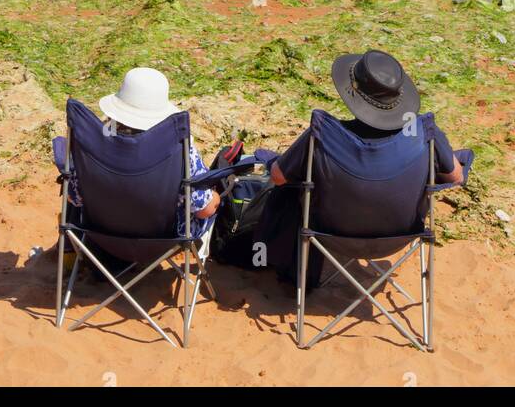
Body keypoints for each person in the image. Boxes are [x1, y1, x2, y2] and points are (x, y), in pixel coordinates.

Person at [258, 49, 466, 286]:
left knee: (293, 188)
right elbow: (456, 177)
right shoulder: (424, 133)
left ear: (352, 92)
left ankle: (292, 274)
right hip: (401, 236)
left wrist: (274, 160)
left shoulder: (324, 134)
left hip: (328, 234)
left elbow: (278, 176)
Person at [99, 67, 219, 238]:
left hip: (101, 231)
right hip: (161, 238)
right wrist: (216, 198)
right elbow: (203, 209)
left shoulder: (95, 143)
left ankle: (73, 250)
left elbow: (73, 198)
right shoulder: (180, 148)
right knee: (211, 203)